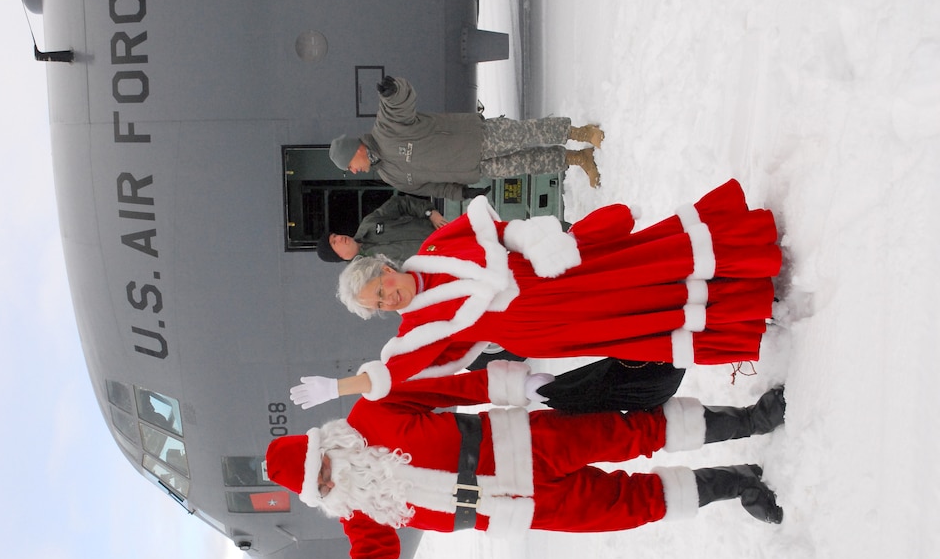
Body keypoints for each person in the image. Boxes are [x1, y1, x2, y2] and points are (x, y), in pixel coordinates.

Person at [267, 361, 787, 559]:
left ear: (329, 445)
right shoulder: (361, 511)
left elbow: (450, 389)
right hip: (523, 507)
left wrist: (520, 386)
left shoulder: (372, 416)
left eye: (326, 469)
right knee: (633, 506)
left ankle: (750, 420)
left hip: (528, 441)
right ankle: (737, 483)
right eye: (325, 487)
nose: (336, 482)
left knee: (638, 431)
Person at [290, 179, 782, 408]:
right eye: (378, 305)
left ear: (385, 268)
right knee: (646, 319)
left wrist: (538, 242)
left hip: (561, 277)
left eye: (381, 289)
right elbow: (389, 372)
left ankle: (746, 260)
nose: (388, 300)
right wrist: (339, 388)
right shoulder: (418, 329)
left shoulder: (438, 245)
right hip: (560, 328)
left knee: (646, 270)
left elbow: (504, 231)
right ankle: (748, 308)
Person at [328, 75, 603, 197]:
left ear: (356, 150)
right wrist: (462, 192)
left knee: (527, 134)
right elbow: (430, 188)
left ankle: (582, 132)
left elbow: (401, 101)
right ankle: (580, 158)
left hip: (475, 137)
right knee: (529, 163)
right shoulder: (390, 176)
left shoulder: (387, 130)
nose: (353, 171)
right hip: (475, 168)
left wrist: (392, 90)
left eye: (349, 165)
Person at [316, 193, 447, 265]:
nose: (339, 237)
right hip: (446, 262)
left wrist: (429, 212)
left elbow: (400, 204)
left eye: (335, 235)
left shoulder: (369, 224)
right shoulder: (367, 271)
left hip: (446, 231)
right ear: (338, 256)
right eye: (334, 243)